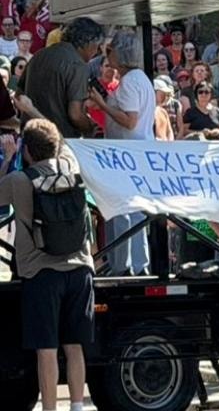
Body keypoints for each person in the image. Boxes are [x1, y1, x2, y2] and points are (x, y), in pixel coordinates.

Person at [0, 119, 93, 411]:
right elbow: (61, 143)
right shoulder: (73, 170)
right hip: (79, 268)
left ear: (27, 151)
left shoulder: (20, 181)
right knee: (75, 346)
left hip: (41, 273)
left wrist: (9, 157)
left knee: (46, 349)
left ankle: (51, 408)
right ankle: (77, 405)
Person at [87, 30, 156, 277]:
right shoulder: (140, 79)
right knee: (134, 212)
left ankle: (123, 265)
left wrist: (103, 104)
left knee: (123, 211)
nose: (108, 55)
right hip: (137, 151)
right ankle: (136, 263)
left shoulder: (130, 81)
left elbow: (129, 120)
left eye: (110, 51)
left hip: (127, 154)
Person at [22, 16, 103, 139]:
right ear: (87, 43)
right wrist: (90, 127)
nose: (96, 52)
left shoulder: (38, 55)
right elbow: (75, 115)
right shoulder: (77, 65)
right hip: (58, 141)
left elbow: (19, 96)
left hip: (30, 136)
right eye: (96, 47)